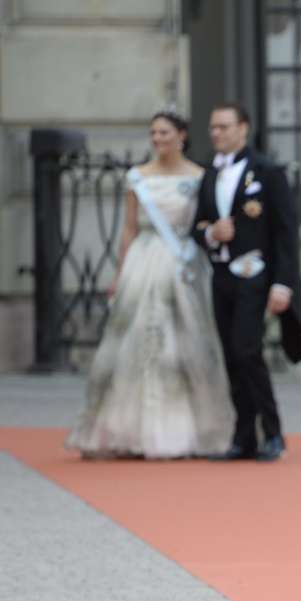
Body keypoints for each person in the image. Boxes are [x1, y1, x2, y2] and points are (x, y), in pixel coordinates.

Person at [66, 109, 234, 459]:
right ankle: (130, 431)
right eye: (153, 134)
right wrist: (120, 271)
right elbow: (128, 228)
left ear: (182, 136)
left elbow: (207, 222)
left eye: (164, 133)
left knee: (185, 343)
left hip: (183, 263)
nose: (157, 140)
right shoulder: (137, 177)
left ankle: (186, 431)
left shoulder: (200, 176)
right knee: (134, 343)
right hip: (143, 260)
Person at [192, 102, 301, 462]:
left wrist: (283, 284)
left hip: (255, 274)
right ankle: (243, 436)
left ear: (244, 128)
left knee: (247, 351)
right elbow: (198, 226)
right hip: (221, 275)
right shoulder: (210, 173)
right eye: (213, 128)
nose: (216, 134)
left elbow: (286, 232)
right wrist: (212, 234)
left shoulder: (267, 171)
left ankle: (273, 431)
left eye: (224, 127)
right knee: (231, 356)